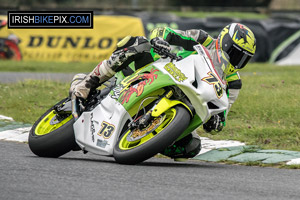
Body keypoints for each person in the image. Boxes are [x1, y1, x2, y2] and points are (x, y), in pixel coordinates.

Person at [70, 23, 256, 159]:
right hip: (159, 70)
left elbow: (223, 111)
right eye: (235, 52)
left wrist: (217, 122)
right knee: (138, 43)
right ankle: (87, 83)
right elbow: (166, 31)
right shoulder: (203, 39)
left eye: (243, 58)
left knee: (192, 146)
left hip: (188, 101)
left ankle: (147, 140)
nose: (237, 61)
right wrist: (160, 40)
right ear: (224, 42)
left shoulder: (234, 83)